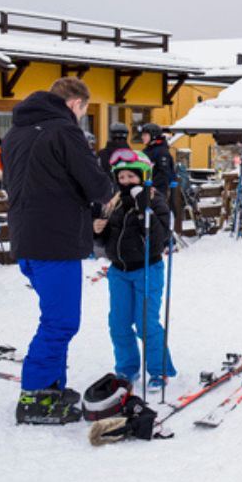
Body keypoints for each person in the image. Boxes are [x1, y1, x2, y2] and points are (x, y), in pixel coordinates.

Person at [2, 77, 114, 425]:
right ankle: (34, 394)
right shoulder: (64, 132)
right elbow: (97, 185)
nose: (81, 116)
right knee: (61, 321)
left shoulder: (15, 134)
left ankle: (51, 386)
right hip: (55, 241)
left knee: (55, 317)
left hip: (27, 239)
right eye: (83, 109)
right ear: (75, 104)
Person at [93, 150, 176, 391]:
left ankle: (159, 371)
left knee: (146, 323)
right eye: (122, 177)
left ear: (143, 176)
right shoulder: (114, 202)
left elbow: (160, 238)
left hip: (146, 270)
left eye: (131, 176)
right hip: (119, 271)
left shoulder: (155, 200)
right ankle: (127, 368)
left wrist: (143, 209)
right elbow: (103, 243)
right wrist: (98, 230)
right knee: (118, 323)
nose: (126, 181)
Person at [140, 123, 174, 196]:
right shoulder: (146, 150)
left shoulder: (162, 152)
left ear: (153, 136)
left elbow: (164, 173)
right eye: (142, 135)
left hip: (158, 191)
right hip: (145, 188)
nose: (142, 137)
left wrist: (151, 185)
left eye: (145, 135)